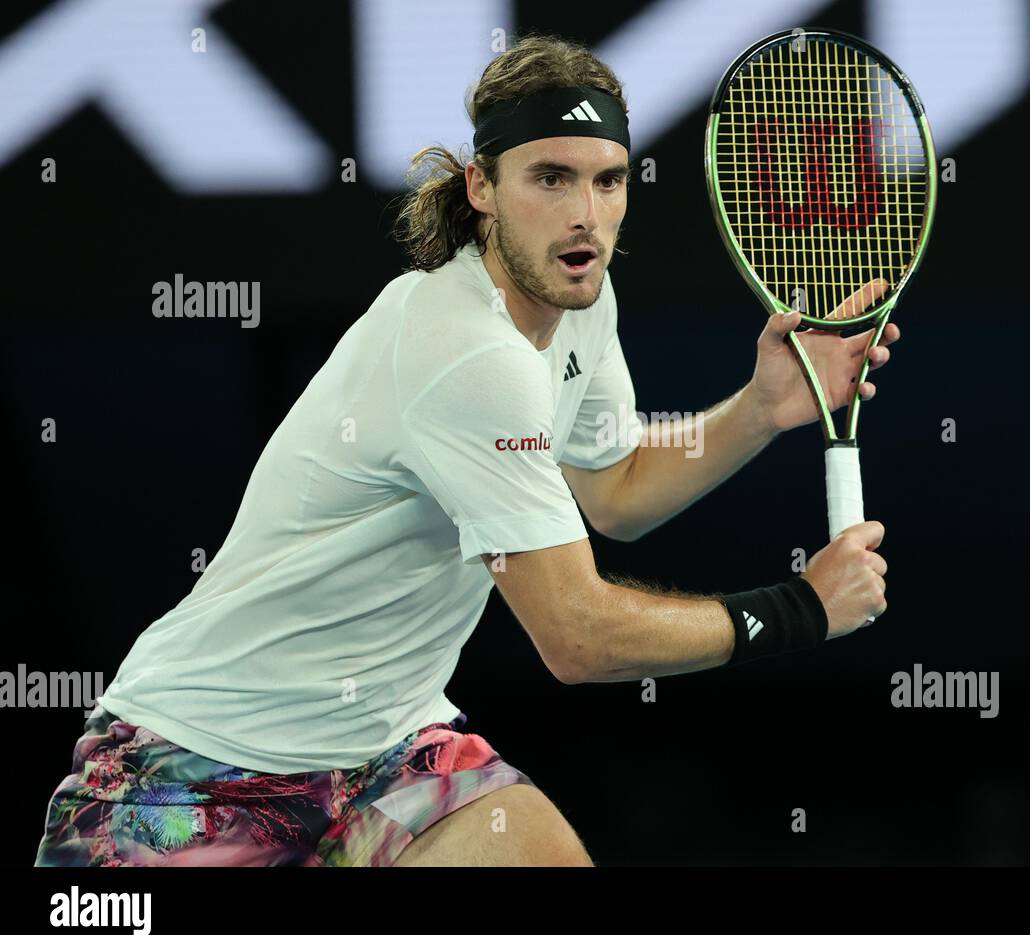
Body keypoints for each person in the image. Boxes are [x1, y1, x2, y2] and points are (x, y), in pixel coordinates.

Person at [34, 33, 895, 868]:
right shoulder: (464, 351)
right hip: (197, 763)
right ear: (481, 186)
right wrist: (801, 608)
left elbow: (617, 490)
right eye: (550, 178)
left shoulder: (584, 304)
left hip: (383, 751)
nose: (584, 215)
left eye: (608, 180)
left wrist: (759, 408)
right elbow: (579, 638)